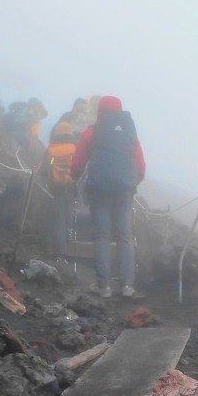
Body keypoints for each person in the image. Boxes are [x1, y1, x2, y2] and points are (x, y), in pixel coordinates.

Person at [70, 95, 146, 298]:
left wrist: (75, 177)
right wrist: (131, 183)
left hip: (100, 190)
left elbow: (77, 163)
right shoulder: (130, 133)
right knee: (124, 236)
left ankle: (103, 286)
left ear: (100, 111)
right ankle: (127, 286)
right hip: (124, 192)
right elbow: (141, 165)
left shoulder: (91, 132)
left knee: (102, 236)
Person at [40, 120, 80, 259]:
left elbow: (46, 167)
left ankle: (60, 253)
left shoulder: (51, 149)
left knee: (58, 218)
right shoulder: (74, 148)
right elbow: (78, 167)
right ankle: (69, 231)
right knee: (69, 207)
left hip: (56, 187)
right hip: (71, 184)